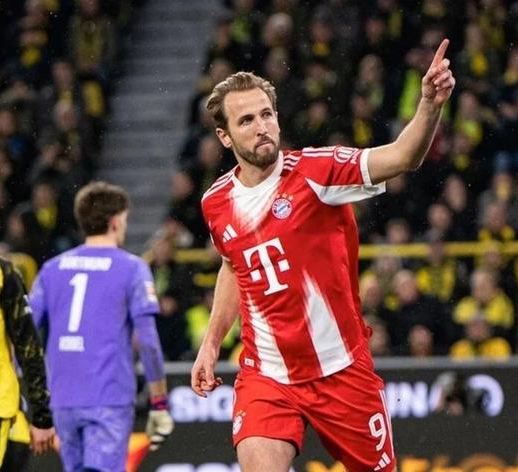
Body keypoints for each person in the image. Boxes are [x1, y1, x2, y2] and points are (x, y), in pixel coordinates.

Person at [191, 39, 455, 472]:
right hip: (267, 375)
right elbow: (233, 265)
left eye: (267, 114)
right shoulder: (215, 202)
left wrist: (428, 105)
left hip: (342, 371)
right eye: (246, 120)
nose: (261, 127)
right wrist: (211, 343)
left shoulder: (318, 172)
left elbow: (403, 157)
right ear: (224, 136)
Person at [28, 182, 174, 472]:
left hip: (62, 398)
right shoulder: (132, 268)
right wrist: (159, 402)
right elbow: (148, 342)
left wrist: (33, 398)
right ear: (116, 221)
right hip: (108, 396)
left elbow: (26, 334)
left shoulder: (52, 269)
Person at [0, 256, 55, 470]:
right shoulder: (3, 273)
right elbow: (28, 346)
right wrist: (42, 415)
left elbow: (28, 346)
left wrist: (41, 415)